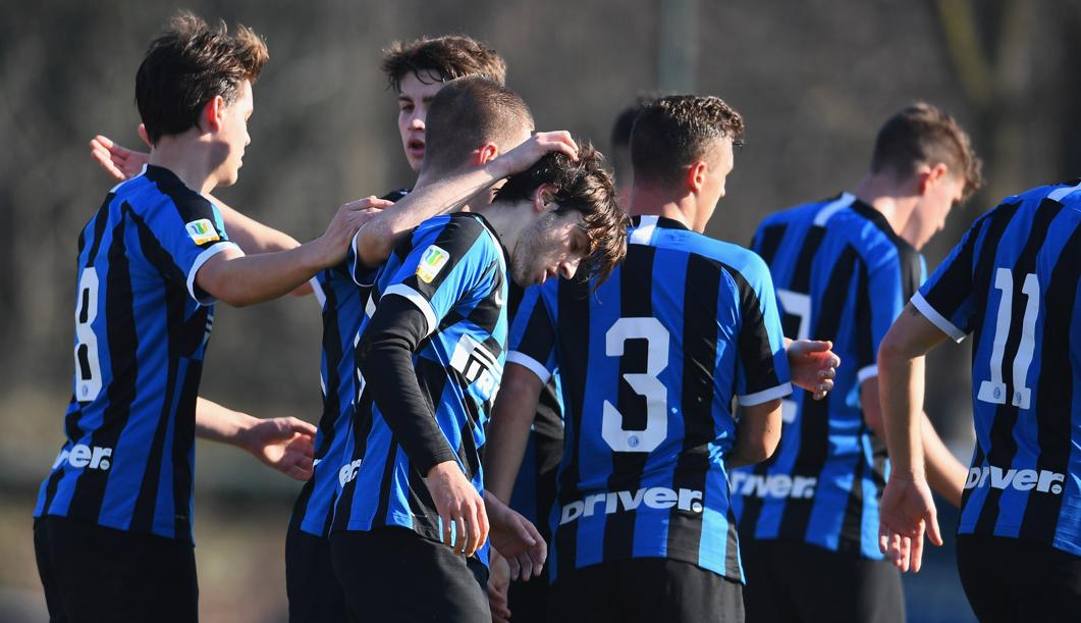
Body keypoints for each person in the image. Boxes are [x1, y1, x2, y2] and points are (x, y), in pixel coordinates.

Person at [32, 12, 377, 621]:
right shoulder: (165, 204)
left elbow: (137, 384)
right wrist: (328, 246)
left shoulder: (130, 206)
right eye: (246, 116)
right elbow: (232, 279)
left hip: (75, 507)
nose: (249, 136)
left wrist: (243, 430)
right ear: (216, 112)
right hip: (125, 523)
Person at [483, 95, 838, 623]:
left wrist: (495, 530)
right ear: (697, 174)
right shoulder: (739, 271)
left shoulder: (566, 261)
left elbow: (515, 392)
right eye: (724, 175)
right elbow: (764, 442)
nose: (725, 188)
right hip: (691, 544)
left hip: (583, 550)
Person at [329, 76, 628, 623]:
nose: (567, 269)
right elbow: (385, 344)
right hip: (398, 525)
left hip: (425, 528)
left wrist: (485, 510)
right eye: (575, 245)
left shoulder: (493, 277)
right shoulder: (469, 242)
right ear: (544, 199)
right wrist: (444, 471)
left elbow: (428, 401)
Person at [730, 103, 982, 623]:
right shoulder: (890, 252)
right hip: (841, 521)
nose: (938, 227)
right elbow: (882, 408)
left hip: (751, 518)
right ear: (931, 177)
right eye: (948, 204)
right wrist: (971, 494)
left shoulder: (774, 231)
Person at [877, 176, 1081, 621]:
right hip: (1069, 536)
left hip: (985, 534)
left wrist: (907, 474)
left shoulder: (1006, 217)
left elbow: (897, 348)